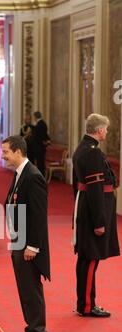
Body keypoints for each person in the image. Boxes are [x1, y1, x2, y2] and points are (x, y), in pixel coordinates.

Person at [2, 135, 50, 332]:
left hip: (28, 244)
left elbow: (39, 216)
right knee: (25, 290)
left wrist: (32, 246)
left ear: (18, 152)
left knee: (31, 291)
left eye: (6, 152)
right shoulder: (20, 173)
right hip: (19, 240)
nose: (3, 156)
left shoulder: (33, 176)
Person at [72, 113, 120, 317]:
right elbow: (94, 189)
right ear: (99, 130)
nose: (107, 132)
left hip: (84, 207)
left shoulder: (84, 148)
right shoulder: (91, 152)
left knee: (86, 259)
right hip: (94, 211)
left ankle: (86, 302)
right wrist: (99, 222)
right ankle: (86, 306)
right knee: (91, 258)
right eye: (106, 129)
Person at [32, 111, 50, 177]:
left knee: (40, 164)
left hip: (39, 147)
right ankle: (41, 177)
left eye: (33, 116)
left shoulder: (39, 125)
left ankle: (41, 177)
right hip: (40, 147)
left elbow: (39, 137)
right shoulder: (42, 123)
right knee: (40, 164)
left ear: (35, 116)